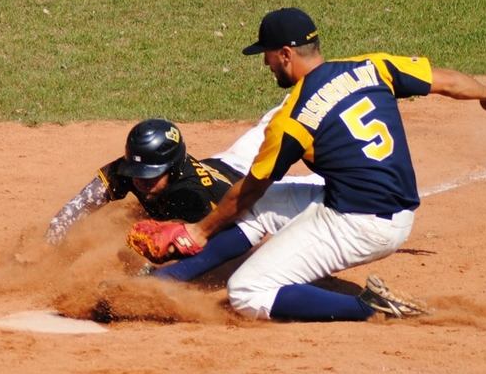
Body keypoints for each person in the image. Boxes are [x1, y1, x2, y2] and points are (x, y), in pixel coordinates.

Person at [168, 7, 486, 321]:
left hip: (360, 224)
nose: (266, 63)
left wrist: (198, 231)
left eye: (267, 55)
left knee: (247, 292)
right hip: (375, 205)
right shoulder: (372, 67)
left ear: (286, 54)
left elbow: (248, 189)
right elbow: (447, 80)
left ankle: (372, 308)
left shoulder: (293, 118)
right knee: (264, 206)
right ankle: (163, 282)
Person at [45, 108, 323, 279]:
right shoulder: (131, 169)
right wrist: (51, 239)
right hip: (226, 162)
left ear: (174, 168)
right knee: (270, 121)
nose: (142, 182)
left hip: (250, 193)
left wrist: (151, 270)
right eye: (137, 174)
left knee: (321, 186)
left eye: (152, 176)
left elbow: (230, 239)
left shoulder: (195, 197)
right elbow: (82, 203)